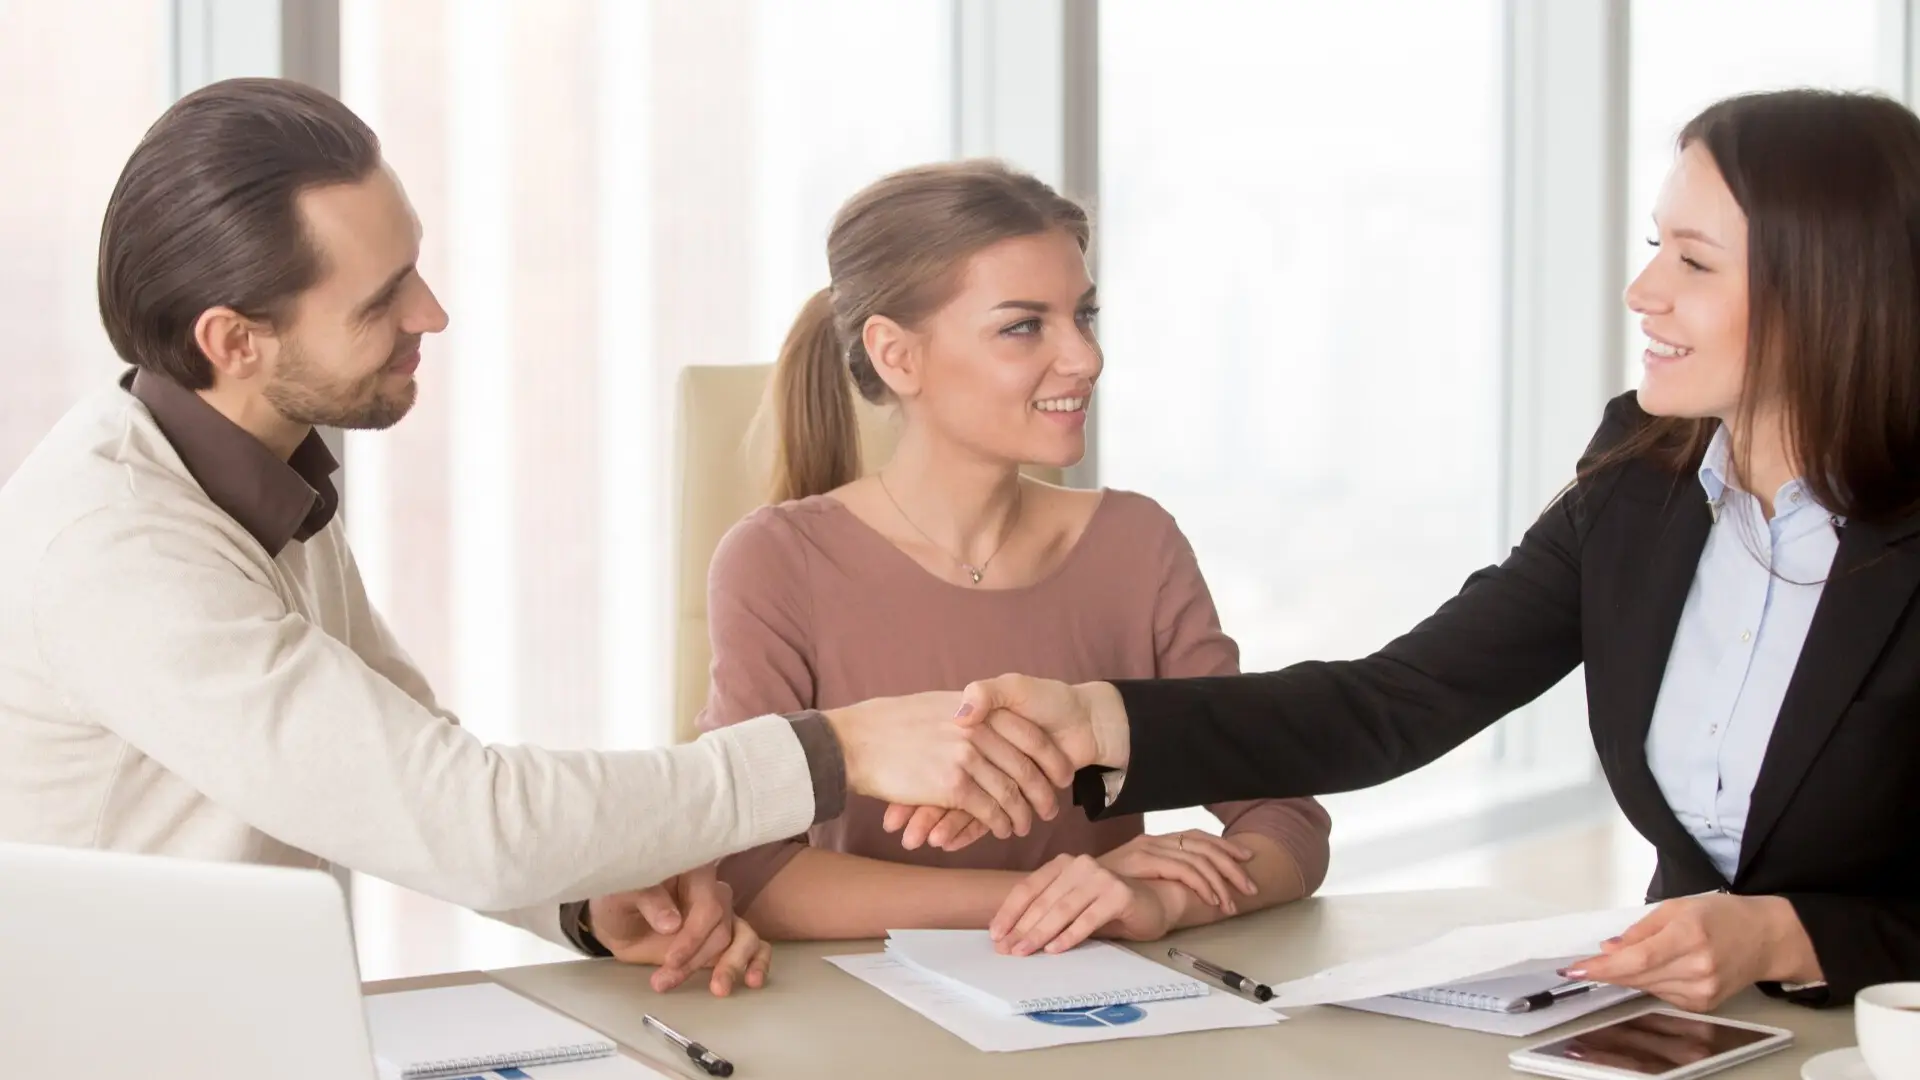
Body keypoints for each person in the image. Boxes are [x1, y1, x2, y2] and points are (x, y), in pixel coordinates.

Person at [0, 79, 1061, 996]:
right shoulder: (120, 552)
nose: (433, 314)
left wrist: (588, 905)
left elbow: (404, 768)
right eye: (381, 301)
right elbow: (464, 816)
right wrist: (840, 749)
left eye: (415, 265)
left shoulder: (253, 475)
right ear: (233, 341)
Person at [895, 88, 1920, 1011]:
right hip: (1693, 1033)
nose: (1642, 290)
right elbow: (1396, 701)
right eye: (1655, 245)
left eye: (1693, 261)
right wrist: (1096, 719)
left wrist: (1794, 933)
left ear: (1831, 291)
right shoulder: (1644, 476)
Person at [697, 160, 1329, 947]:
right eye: (1024, 326)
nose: (1085, 358)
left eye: (1085, 316)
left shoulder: (1138, 547)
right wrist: (1053, 896)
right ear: (898, 356)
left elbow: (1285, 820)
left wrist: (1163, 903)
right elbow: (749, 873)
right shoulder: (777, 562)